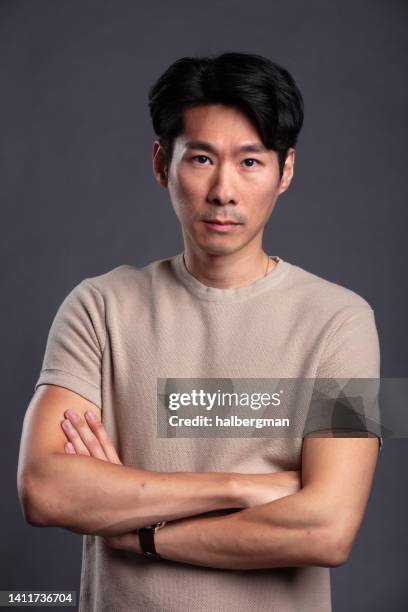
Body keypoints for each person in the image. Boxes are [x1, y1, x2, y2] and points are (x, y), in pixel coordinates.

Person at [17, 52, 382, 612]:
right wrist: (235, 488)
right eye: (202, 158)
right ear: (162, 163)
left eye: (251, 162)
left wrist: (140, 533)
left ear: (285, 171)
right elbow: (43, 490)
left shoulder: (345, 321)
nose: (223, 191)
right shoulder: (96, 307)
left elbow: (326, 530)